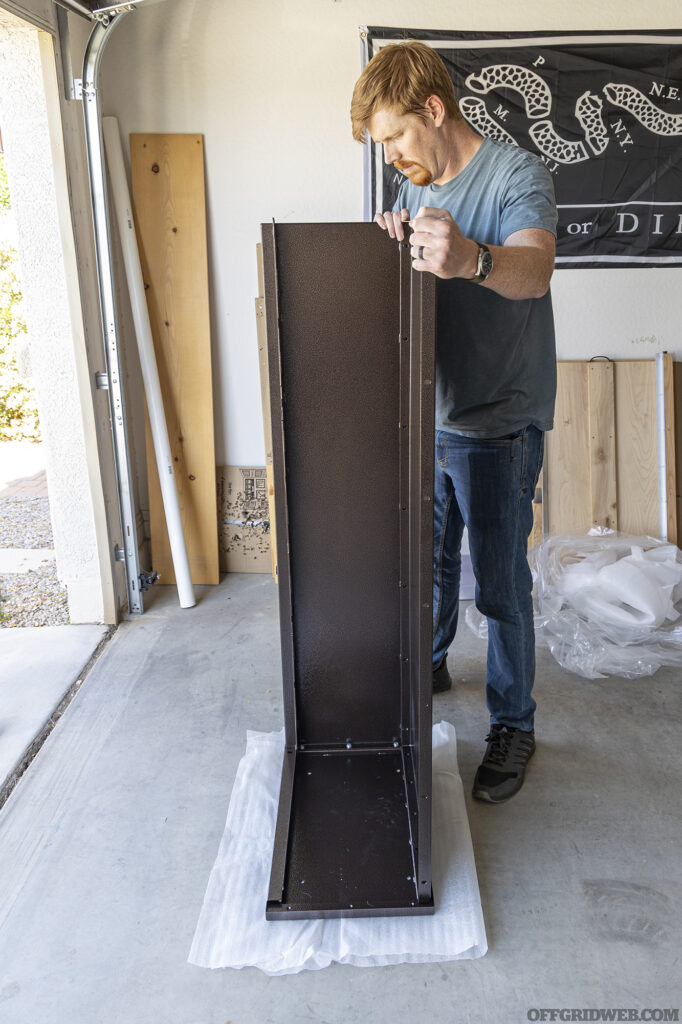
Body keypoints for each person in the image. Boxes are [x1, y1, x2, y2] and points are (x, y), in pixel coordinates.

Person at [350, 41, 557, 803]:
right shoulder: (414, 192)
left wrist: (471, 258)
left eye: (396, 137)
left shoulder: (517, 175)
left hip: (499, 422)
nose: (392, 158)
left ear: (433, 110)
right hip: (429, 415)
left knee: (500, 586)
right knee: (434, 561)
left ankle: (515, 723)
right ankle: (433, 661)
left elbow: (533, 270)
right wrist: (388, 249)